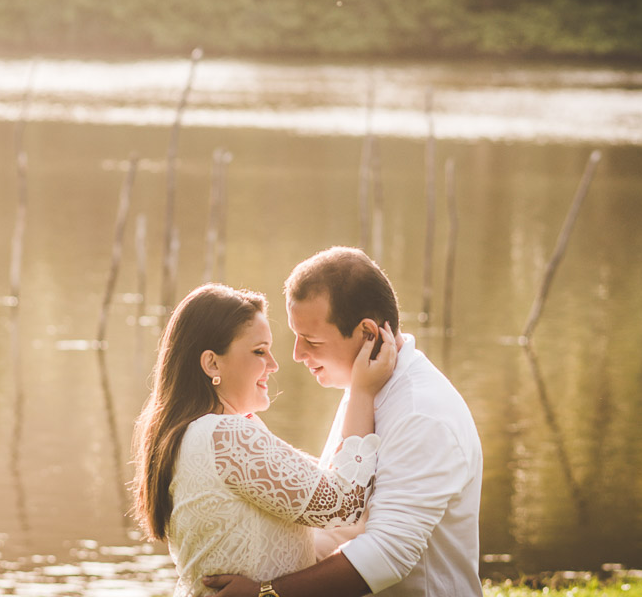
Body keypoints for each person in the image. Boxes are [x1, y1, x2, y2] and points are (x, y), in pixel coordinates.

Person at [204, 247, 483, 597]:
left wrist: (265, 592)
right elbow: (339, 525)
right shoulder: (366, 387)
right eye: (296, 335)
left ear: (367, 334)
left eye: (313, 340)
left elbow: (386, 555)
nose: (297, 355)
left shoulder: (421, 413)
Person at [131, 283, 399, 597]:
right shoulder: (227, 437)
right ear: (212, 364)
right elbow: (345, 505)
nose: (273, 365)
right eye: (259, 351)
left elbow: (323, 489)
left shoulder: (193, 433)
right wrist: (361, 390)